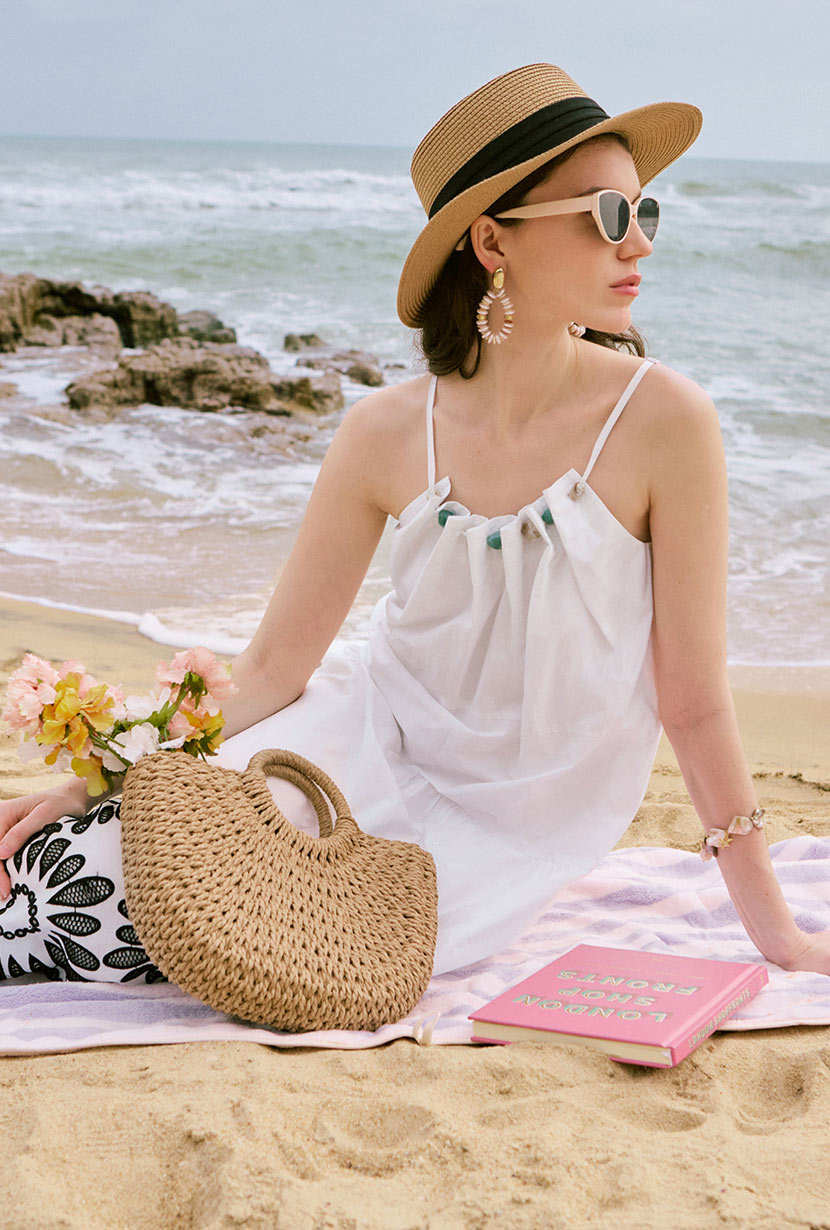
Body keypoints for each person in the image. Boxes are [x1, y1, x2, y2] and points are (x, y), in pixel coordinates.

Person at [1, 63, 828, 986]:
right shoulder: (386, 430)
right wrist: (102, 781)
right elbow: (274, 669)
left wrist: (781, 938)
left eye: (645, 213)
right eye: (605, 214)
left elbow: (694, 703)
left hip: (507, 830)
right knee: (68, 885)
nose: (636, 242)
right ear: (492, 239)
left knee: (168, 943)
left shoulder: (666, 421)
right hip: (351, 743)